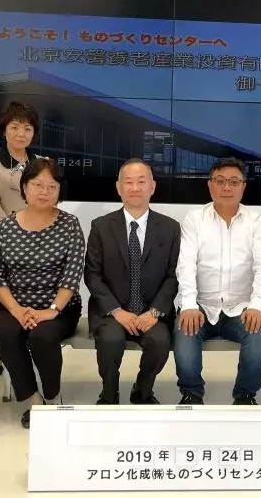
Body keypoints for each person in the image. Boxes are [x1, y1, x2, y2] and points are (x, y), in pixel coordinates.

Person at [0, 158, 85, 428]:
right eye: (38, 185)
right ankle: (34, 401)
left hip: (59, 308)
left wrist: (50, 311)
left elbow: (72, 276)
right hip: (15, 304)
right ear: (24, 187)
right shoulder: (6, 226)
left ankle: (53, 398)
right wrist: (17, 310)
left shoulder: (69, 224)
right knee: (7, 334)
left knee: (42, 336)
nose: (44, 191)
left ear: (59, 191)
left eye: (52, 186)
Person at [174, 157, 261, 405]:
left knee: (258, 338)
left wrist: (257, 304)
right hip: (200, 306)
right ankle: (192, 394)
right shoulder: (195, 219)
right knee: (184, 338)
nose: (226, 187)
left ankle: (244, 395)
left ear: (243, 186)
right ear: (210, 185)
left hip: (240, 307)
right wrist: (188, 304)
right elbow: (186, 264)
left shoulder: (255, 221)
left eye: (233, 182)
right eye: (220, 181)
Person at [84, 159, 180, 405]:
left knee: (160, 342)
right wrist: (117, 311)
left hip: (151, 311)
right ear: (119, 188)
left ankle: (142, 390)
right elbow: (92, 274)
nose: (135, 188)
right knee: (110, 341)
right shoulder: (101, 226)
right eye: (128, 182)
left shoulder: (170, 228)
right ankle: (109, 393)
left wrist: (155, 312)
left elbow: (173, 276)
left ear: (152, 187)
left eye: (141, 182)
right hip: (111, 312)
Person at [0, 101, 40, 378]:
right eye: (15, 127)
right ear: (4, 130)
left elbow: (48, 197)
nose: (20, 134)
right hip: (2, 238)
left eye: (27, 128)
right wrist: (15, 232)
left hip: (37, 239)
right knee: (1, 297)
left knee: (30, 293)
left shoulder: (41, 163)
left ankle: (27, 344)